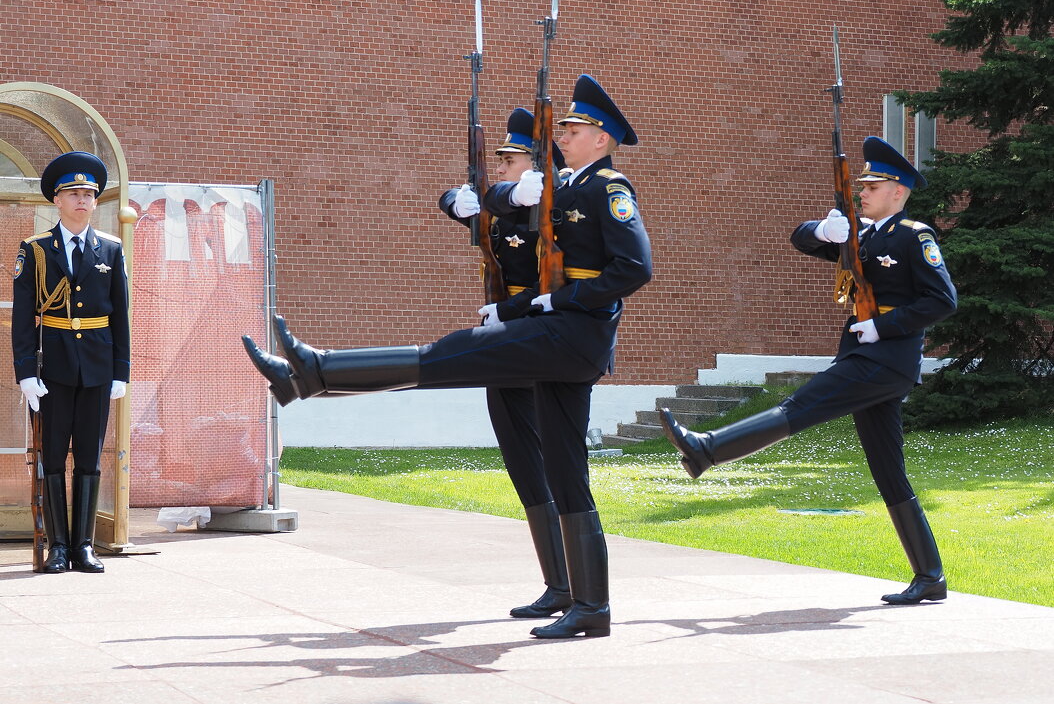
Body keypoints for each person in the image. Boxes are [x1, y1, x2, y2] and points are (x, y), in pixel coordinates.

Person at [244, 75, 651, 638]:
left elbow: (635, 268)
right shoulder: (566, 183)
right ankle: (590, 606)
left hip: (572, 333)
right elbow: (500, 203)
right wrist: (506, 204)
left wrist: (557, 298)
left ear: (601, 139)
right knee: (564, 470)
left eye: (575, 128)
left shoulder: (608, 189)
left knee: (450, 355)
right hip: (555, 332)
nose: (564, 133)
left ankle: (318, 370)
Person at [662, 136, 957, 606]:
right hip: (863, 358)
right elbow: (799, 239)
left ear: (897, 192)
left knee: (801, 404)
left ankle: (708, 449)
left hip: (885, 359)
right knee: (888, 471)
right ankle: (930, 576)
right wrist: (825, 230)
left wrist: (883, 327)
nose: (863, 192)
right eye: (862, 185)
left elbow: (943, 300)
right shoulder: (863, 234)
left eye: (873, 186)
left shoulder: (913, 236)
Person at [438, 107, 572, 620]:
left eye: (512, 160)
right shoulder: (504, 203)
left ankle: (576, 586)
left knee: (556, 463)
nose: (502, 168)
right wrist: (457, 201)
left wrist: (510, 311)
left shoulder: (559, 210)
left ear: (539, 167)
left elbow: (560, 282)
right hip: (505, 340)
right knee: (521, 461)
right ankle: (556, 585)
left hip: (537, 334)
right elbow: (453, 200)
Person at [12, 151, 130, 573]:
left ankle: (84, 546)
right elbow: (23, 319)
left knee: (89, 459)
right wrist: (26, 373)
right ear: (57, 201)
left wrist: (121, 371)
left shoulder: (111, 250)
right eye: (73, 193)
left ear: (96, 202)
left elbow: (121, 315)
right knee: (52, 456)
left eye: (88, 194)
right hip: (53, 369)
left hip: (97, 368)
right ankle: (58, 546)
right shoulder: (37, 250)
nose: (82, 200)